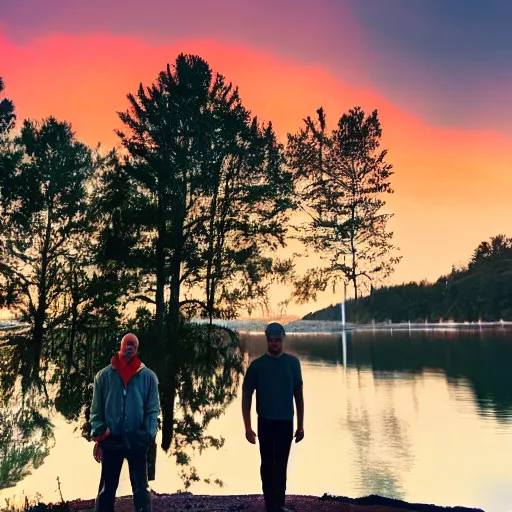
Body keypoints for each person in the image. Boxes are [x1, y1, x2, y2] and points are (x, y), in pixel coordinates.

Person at [90, 333, 160, 512]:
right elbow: (96, 411)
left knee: (141, 489)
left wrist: (147, 435)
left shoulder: (148, 377)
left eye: (134, 345)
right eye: (127, 344)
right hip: (111, 440)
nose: (130, 348)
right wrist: (100, 432)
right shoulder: (103, 376)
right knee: (107, 489)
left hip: (137, 439)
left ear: (137, 349)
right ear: (121, 346)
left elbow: (153, 410)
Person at [242, 322, 304, 512]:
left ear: (283, 340)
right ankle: (271, 504)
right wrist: (248, 427)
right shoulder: (257, 366)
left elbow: (298, 396)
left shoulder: (292, 364)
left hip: (286, 421)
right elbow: (246, 396)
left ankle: (280, 502)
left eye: (277, 340)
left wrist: (301, 426)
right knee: (268, 462)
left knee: (282, 463)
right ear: (267, 341)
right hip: (266, 422)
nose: (274, 343)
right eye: (271, 340)